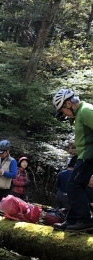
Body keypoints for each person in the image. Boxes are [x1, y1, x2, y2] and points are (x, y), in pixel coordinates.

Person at [52, 89, 93, 231]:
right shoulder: (79, 114)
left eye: (63, 111)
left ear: (69, 103)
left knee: (73, 185)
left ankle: (85, 220)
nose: (64, 114)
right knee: (77, 186)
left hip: (89, 156)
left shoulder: (86, 110)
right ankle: (72, 220)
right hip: (85, 155)